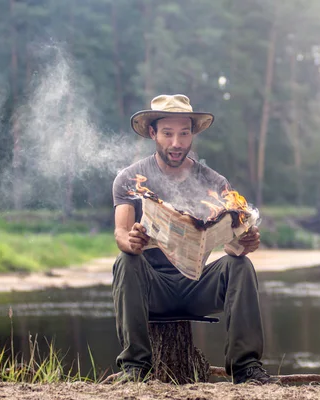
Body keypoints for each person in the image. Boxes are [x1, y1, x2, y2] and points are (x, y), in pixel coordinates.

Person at [111, 94, 278, 384]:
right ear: (153, 133)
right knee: (125, 261)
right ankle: (135, 367)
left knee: (240, 267)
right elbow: (120, 234)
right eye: (168, 134)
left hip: (197, 283)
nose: (176, 143)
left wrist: (244, 244)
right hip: (153, 287)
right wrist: (133, 242)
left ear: (192, 135)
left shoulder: (214, 182)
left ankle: (246, 367)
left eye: (184, 133)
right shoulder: (130, 178)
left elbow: (230, 244)